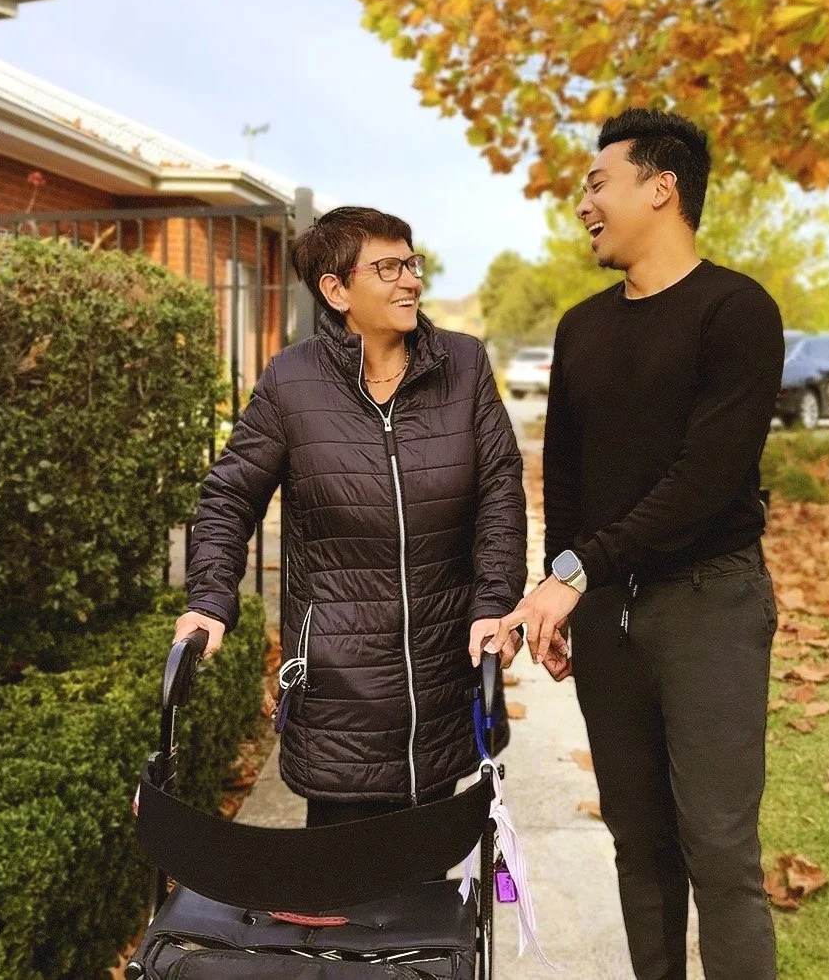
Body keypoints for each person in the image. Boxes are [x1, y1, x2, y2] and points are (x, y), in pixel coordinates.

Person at [494, 109, 784, 979]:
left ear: (662, 189)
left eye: (597, 182)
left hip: (709, 605)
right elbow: (569, 475)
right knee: (637, 843)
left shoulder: (736, 311)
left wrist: (576, 572)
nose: (583, 200)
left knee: (720, 853)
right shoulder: (582, 327)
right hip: (608, 614)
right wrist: (561, 584)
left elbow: (707, 478)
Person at [176, 206, 527, 828]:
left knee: (421, 900)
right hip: (339, 686)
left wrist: (494, 601)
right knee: (336, 898)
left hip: (443, 675)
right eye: (387, 267)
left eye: (411, 263)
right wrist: (210, 597)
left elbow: (499, 486)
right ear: (336, 291)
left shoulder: (464, 365)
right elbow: (230, 493)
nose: (410, 280)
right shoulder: (292, 381)